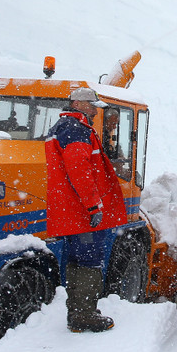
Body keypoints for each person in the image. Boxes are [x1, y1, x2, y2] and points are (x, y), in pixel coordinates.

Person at [45, 87, 127, 332]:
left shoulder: (63, 128)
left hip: (72, 209)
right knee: (90, 260)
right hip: (82, 211)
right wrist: (94, 206)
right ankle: (83, 315)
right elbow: (79, 170)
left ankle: (79, 311)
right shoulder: (75, 130)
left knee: (77, 260)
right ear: (78, 104)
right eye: (91, 106)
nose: (94, 111)